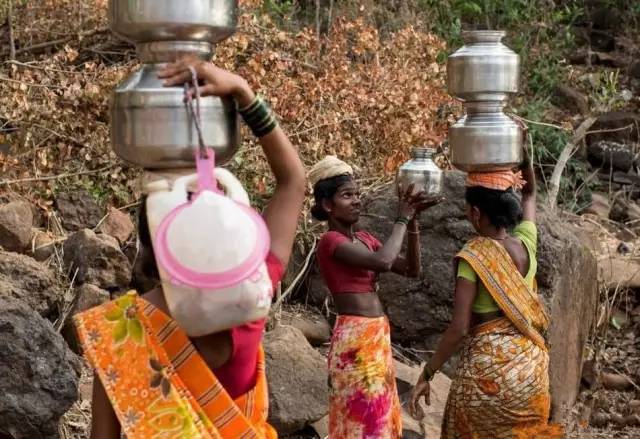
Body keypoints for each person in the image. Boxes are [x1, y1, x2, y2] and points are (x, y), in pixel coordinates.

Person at [74, 57, 306, 438]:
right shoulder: (254, 292)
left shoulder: (120, 334)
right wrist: (244, 94)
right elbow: (293, 181)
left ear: (149, 240)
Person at [408, 148, 564, 438]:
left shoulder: (473, 257)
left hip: (487, 378)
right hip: (530, 371)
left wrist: (427, 373)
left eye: (468, 210)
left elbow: (458, 329)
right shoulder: (526, 244)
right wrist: (523, 150)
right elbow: (530, 193)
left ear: (476, 213)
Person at [309, 156, 441, 438]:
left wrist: (413, 222)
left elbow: (411, 269)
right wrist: (402, 218)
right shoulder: (331, 241)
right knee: (364, 420)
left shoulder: (366, 239)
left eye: (357, 194)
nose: (356, 200)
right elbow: (383, 261)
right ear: (327, 205)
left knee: (378, 418)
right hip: (355, 342)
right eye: (347, 195)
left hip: (376, 338)